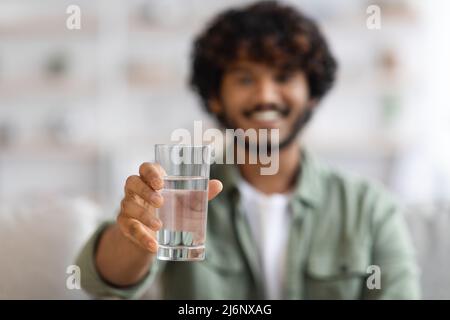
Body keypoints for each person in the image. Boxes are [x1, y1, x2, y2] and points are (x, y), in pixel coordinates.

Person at [76, 1, 420, 299]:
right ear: (215, 97)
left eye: (284, 77)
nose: (265, 96)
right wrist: (136, 237)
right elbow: (102, 281)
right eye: (244, 79)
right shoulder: (181, 191)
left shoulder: (370, 207)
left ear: (311, 94)